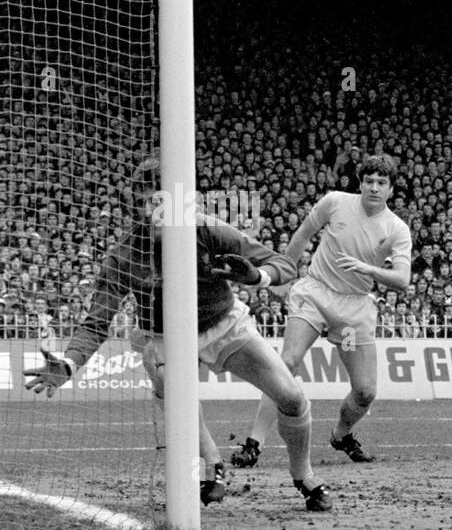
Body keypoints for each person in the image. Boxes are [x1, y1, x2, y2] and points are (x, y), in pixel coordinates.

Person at [24, 156, 331, 511]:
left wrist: (255, 277)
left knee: (291, 398)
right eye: (144, 202)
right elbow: (96, 321)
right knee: (166, 378)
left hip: (225, 324)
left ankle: (304, 475)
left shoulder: (208, 231)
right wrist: (68, 364)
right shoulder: (124, 255)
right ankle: (212, 465)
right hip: (164, 337)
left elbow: (283, 264)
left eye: (160, 201)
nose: (151, 211)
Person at [229, 154, 412, 467]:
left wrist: (367, 268)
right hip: (314, 294)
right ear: (360, 182)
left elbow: (402, 280)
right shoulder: (335, 202)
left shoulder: (396, 229)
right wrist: (283, 273)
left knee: (365, 392)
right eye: (368, 181)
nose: (373, 187)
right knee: (286, 363)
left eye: (381, 183)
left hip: (354, 308)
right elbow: (302, 234)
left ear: (391, 189)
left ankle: (342, 435)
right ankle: (253, 444)